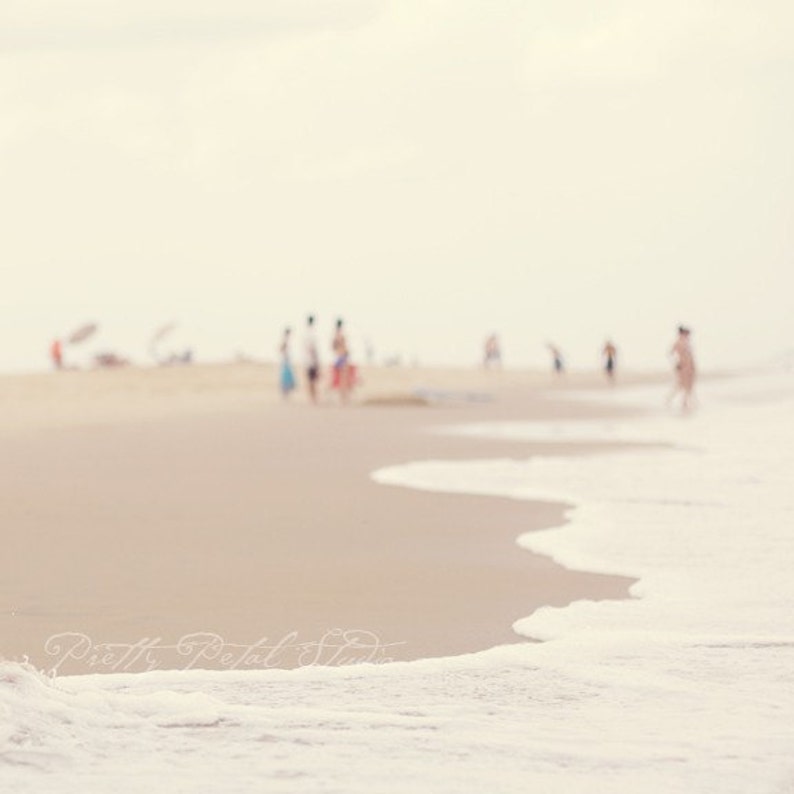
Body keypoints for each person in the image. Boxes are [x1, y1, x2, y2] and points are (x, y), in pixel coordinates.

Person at [668, 325, 696, 412]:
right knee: (681, 385)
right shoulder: (678, 343)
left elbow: (690, 356)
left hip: (688, 366)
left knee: (688, 385)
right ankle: (670, 400)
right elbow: (671, 353)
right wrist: (677, 363)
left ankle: (685, 402)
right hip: (682, 366)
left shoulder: (686, 343)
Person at [331, 317, 355, 402]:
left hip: (337, 357)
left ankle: (342, 397)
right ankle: (344, 397)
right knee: (343, 378)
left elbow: (333, 347)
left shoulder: (335, 335)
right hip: (342, 357)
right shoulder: (341, 335)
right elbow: (344, 347)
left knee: (339, 378)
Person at [303, 315, 320, 404]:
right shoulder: (312, 334)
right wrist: (317, 362)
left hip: (307, 361)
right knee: (313, 380)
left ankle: (311, 398)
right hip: (311, 361)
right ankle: (313, 398)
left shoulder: (305, 334)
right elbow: (313, 349)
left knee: (310, 380)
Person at [279, 327, 296, 399]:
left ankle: (286, 393)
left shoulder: (286, 340)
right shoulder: (285, 340)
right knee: (286, 378)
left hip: (286, 361)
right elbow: (281, 349)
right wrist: (285, 355)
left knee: (287, 378)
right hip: (286, 361)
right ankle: (285, 393)